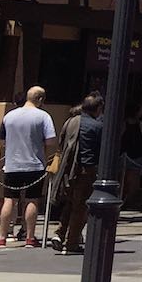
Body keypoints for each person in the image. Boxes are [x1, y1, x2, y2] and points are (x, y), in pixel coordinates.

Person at [0, 86, 56, 249]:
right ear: (40, 99)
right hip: (34, 165)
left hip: (12, 164)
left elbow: (1, 140)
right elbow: (50, 141)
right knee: (32, 200)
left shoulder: (10, 116)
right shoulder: (43, 116)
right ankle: (30, 237)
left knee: (9, 200)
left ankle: (2, 237)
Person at [51, 93, 104, 254]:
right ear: (98, 108)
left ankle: (60, 233)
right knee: (80, 207)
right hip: (86, 171)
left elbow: (61, 144)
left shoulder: (70, 122)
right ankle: (71, 242)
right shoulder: (97, 127)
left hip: (68, 170)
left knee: (70, 203)